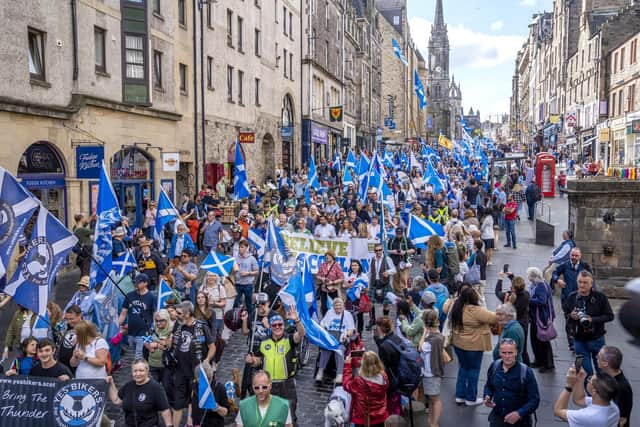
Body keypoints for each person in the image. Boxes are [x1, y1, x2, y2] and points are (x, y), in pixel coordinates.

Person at [246, 307, 305, 424]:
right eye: (274, 325)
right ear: (270, 327)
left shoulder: (289, 339)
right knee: (269, 417)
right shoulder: (264, 341)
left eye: (280, 325)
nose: (277, 327)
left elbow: (302, 334)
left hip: (286, 385)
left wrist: (297, 320)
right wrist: (252, 360)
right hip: (269, 385)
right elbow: (259, 360)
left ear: (283, 326)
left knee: (290, 416)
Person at [168, 301, 216, 426]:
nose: (176, 315)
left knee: (193, 400)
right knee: (177, 402)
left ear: (188, 313)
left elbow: (212, 347)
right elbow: (171, 342)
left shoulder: (201, 326)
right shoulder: (178, 325)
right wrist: (166, 343)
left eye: (179, 313)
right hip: (179, 369)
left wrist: (206, 361)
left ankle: (190, 423)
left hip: (196, 371)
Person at [447, 286, 496, 406]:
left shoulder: (456, 307)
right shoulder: (476, 310)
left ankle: (460, 395)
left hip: (458, 344)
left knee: (463, 368)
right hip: (473, 345)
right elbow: (494, 317)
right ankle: (470, 398)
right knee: (474, 370)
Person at [561, 270, 614, 376]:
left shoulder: (600, 297)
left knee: (602, 372)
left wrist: (592, 319)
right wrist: (571, 316)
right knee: (586, 373)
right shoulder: (572, 297)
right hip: (579, 340)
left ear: (591, 283)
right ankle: (590, 392)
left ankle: (601, 391)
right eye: (580, 282)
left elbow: (610, 316)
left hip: (597, 339)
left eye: (585, 282)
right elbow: (566, 313)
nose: (582, 285)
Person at [483, 339, 540, 427]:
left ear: (516, 352)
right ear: (499, 353)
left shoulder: (526, 372)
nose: (507, 356)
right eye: (504, 353)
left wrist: (519, 413)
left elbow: (534, 400)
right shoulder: (494, 366)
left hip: (520, 423)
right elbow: (489, 386)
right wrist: (487, 396)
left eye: (510, 353)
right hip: (497, 419)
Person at [106, 358, 174, 427]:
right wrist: (111, 383)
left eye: (141, 370)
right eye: (135, 371)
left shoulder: (156, 388)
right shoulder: (128, 386)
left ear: (147, 370)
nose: (138, 374)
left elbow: (165, 410)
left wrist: (169, 425)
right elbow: (116, 400)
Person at [552, 247, 593, 352]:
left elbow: (591, 279)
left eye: (576, 255)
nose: (574, 257)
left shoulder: (585, 266)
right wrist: (558, 280)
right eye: (572, 255)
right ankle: (572, 344)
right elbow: (554, 273)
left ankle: (580, 340)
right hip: (567, 298)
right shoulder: (565, 265)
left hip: (581, 297)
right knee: (569, 320)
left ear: (580, 256)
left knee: (580, 319)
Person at [554, 365, 620, 427]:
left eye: (590, 379)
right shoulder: (613, 408)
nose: (588, 380)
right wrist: (580, 380)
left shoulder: (588, 416)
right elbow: (579, 400)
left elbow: (558, 411)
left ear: (594, 391)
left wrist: (568, 386)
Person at [342, 351, 390, 427]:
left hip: (364, 418)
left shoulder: (360, 381)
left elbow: (346, 385)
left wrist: (347, 365)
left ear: (363, 365)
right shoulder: (384, 376)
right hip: (380, 416)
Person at [317, 297, 356, 383]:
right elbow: (322, 324)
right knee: (325, 349)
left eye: (340, 306)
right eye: (336, 306)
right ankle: (320, 371)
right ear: (333, 306)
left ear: (343, 306)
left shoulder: (347, 315)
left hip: (341, 338)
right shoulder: (329, 313)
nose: (338, 308)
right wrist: (323, 330)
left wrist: (346, 335)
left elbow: (351, 329)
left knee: (339, 351)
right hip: (330, 337)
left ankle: (339, 375)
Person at [118, 273, 155, 359]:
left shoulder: (151, 297)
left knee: (138, 355)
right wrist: (117, 325)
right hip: (131, 331)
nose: (136, 284)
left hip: (144, 332)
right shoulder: (129, 295)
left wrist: (153, 329)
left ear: (145, 283)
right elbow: (123, 313)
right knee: (134, 353)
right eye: (135, 282)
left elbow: (154, 314)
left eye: (139, 282)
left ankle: (137, 371)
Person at [495, 274, 531, 365]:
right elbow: (519, 287)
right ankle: (527, 367)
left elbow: (497, 291)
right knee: (523, 349)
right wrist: (512, 276)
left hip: (511, 325)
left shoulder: (508, 297)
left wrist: (500, 278)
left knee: (510, 347)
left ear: (513, 288)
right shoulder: (526, 295)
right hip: (523, 324)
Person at [418, 309, 445, 427]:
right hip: (432, 372)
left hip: (431, 373)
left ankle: (434, 424)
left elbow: (420, 347)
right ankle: (431, 421)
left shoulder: (430, 341)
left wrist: (424, 332)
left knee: (435, 399)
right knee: (431, 399)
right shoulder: (436, 333)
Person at [596, 346, 633, 427]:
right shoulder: (606, 376)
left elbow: (622, 419)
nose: (596, 358)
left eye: (598, 357)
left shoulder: (622, 388)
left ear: (605, 363)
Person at [527, 267, 555, 373]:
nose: (528, 277)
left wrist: (529, 300)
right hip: (536, 316)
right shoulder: (536, 284)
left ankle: (548, 364)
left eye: (529, 275)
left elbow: (542, 301)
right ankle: (538, 360)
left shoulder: (540, 286)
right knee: (535, 339)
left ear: (533, 276)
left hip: (542, 317)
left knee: (543, 341)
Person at [374, 317, 403, 415]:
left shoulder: (384, 346)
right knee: (396, 401)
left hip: (390, 378)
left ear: (380, 328)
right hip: (399, 374)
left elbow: (383, 366)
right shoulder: (396, 338)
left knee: (391, 404)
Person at [145, 309, 174, 405]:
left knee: (167, 387)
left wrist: (157, 345)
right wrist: (149, 346)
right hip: (152, 363)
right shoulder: (152, 329)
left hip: (166, 365)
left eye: (161, 320)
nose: (158, 323)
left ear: (167, 319)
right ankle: (154, 404)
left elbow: (169, 345)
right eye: (156, 320)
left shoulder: (172, 330)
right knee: (153, 386)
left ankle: (168, 404)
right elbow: (146, 341)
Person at [368, 243, 396, 330]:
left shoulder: (387, 259)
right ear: (374, 251)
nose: (378, 252)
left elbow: (394, 270)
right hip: (374, 283)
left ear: (382, 250)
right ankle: (372, 320)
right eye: (376, 250)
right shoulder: (372, 259)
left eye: (380, 250)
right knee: (370, 304)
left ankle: (385, 320)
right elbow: (370, 272)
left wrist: (388, 272)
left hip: (384, 283)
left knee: (386, 304)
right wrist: (369, 284)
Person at [234, 239, 259, 319]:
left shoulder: (251, 258)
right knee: (236, 302)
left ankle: (250, 319)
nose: (240, 249)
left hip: (248, 284)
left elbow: (257, 271)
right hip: (238, 284)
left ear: (246, 248)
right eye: (239, 247)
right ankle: (235, 318)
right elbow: (233, 269)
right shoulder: (236, 258)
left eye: (242, 247)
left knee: (249, 303)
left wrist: (248, 273)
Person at [315, 250, 345, 316]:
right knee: (324, 307)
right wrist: (322, 278)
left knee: (334, 306)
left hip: (333, 289)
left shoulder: (337, 265)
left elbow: (342, 278)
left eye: (329, 255)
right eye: (326, 256)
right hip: (324, 289)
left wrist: (332, 282)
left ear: (332, 257)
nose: (327, 257)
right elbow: (317, 275)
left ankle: (335, 319)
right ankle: (325, 321)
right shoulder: (323, 265)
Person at [58, 304, 83, 373]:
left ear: (80, 316)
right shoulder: (66, 328)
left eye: (71, 319)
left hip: (77, 368)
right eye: (67, 319)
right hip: (63, 367)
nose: (69, 322)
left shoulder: (87, 329)